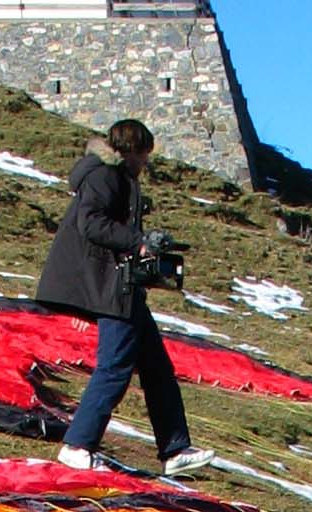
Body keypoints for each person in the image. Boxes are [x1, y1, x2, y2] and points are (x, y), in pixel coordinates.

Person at [36, 118, 213, 480]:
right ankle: (78, 445)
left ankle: (176, 448)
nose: (146, 163)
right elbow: (92, 224)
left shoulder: (115, 177)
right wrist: (139, 242)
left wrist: (144, 243)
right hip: (105, 284)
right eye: (144, 155)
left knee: (155, 366)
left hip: (120, 284)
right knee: (115, 364)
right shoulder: (106, 176)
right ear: (133, 150)